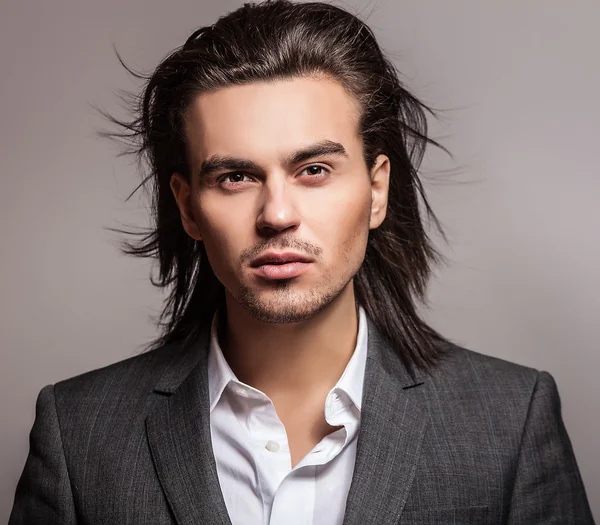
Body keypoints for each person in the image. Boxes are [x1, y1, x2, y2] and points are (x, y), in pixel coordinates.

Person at [9, 1, 595, 523]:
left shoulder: (508, 420)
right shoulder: (79, 432)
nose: (277, 214)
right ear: (188, 207)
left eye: (314, 170)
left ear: (377, 190)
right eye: (235, 177)